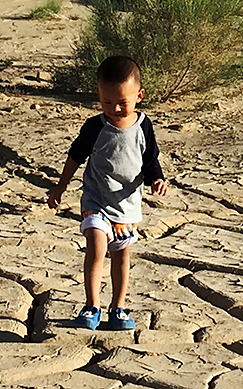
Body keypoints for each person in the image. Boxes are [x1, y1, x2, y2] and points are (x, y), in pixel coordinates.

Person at [46, 54, 167, 330]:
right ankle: (92, 306)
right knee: (96, 246)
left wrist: (157, 179)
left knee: (122, 257)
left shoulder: (143, 126)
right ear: (98, 95)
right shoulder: (95, 127)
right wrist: (61, 186)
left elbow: (149, 160)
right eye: (106, 102)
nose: (114, 109)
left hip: (126, 205)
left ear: (139, 95)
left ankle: (119, 307)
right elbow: (75, 157)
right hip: (96, 200)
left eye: (122, 103)